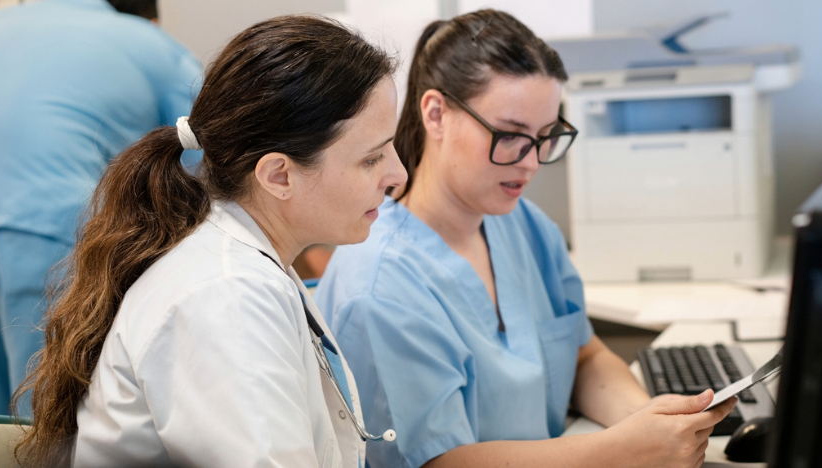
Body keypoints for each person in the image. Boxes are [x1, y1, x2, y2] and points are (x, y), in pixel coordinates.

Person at [314, 9, 735, 468]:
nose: (531, 163)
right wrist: (623, 449)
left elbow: (584, 356)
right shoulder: (382, 287)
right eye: (511, 135)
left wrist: (652, 424)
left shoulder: (524, 225)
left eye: (545, 136)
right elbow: (440, 462)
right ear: (436, 114)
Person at [12, 15, 406, 468]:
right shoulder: (225, 295)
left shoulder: (243, 263)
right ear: (278, 175)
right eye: (372, 157)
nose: (398, 175)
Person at [0, 0, 201, 415]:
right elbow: (229, 152)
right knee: (52, 426)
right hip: (50, 233)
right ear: (147, 16)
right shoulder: (148, 43)